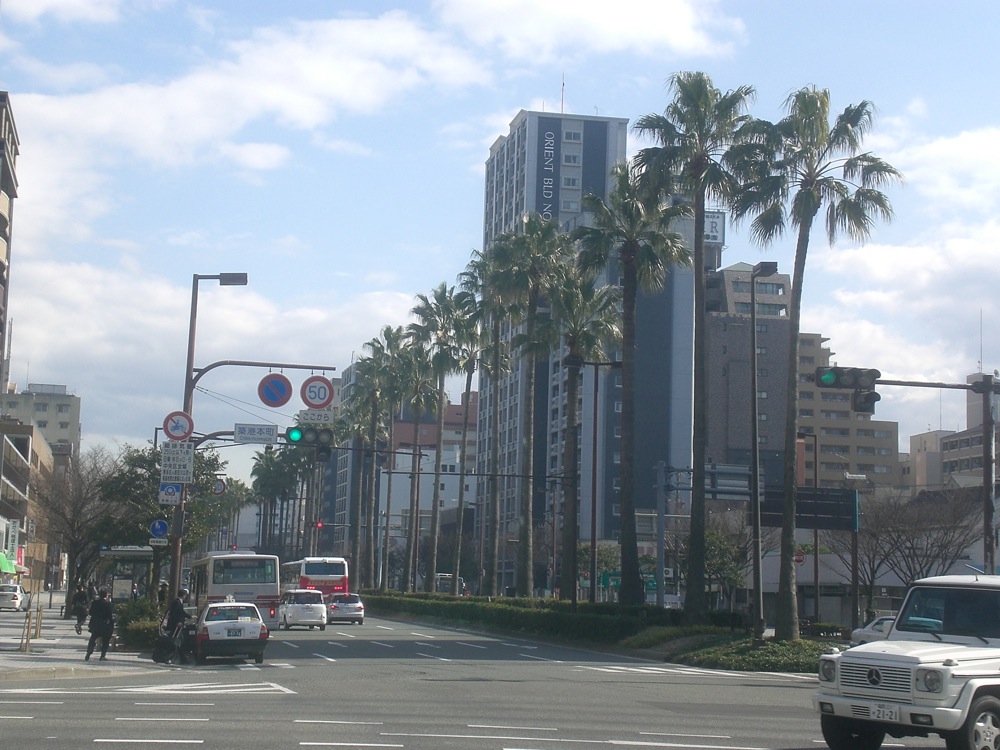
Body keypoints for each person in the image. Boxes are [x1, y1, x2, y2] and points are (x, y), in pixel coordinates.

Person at [85, 588, 114, 661]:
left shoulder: (95, 603)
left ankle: (89, 652)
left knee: (93, 638)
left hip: (95, 624)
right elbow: (110, 616)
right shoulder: (108, 604)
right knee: (105, 640)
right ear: (106, 595)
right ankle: (102, 655)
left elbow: (90, 612)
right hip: (104, 625)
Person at [165, 588, 193, 662]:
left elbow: (181, 612)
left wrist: (190, 617)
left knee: (180, 641)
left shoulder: (178, 602)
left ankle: (183, 658)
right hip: (175, 626)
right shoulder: (177, 602)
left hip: (177, 625)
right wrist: (178, 621)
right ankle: (170, 658)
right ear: (183, 595)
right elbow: (175, 613)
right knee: (175, 641)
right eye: (185, 595)